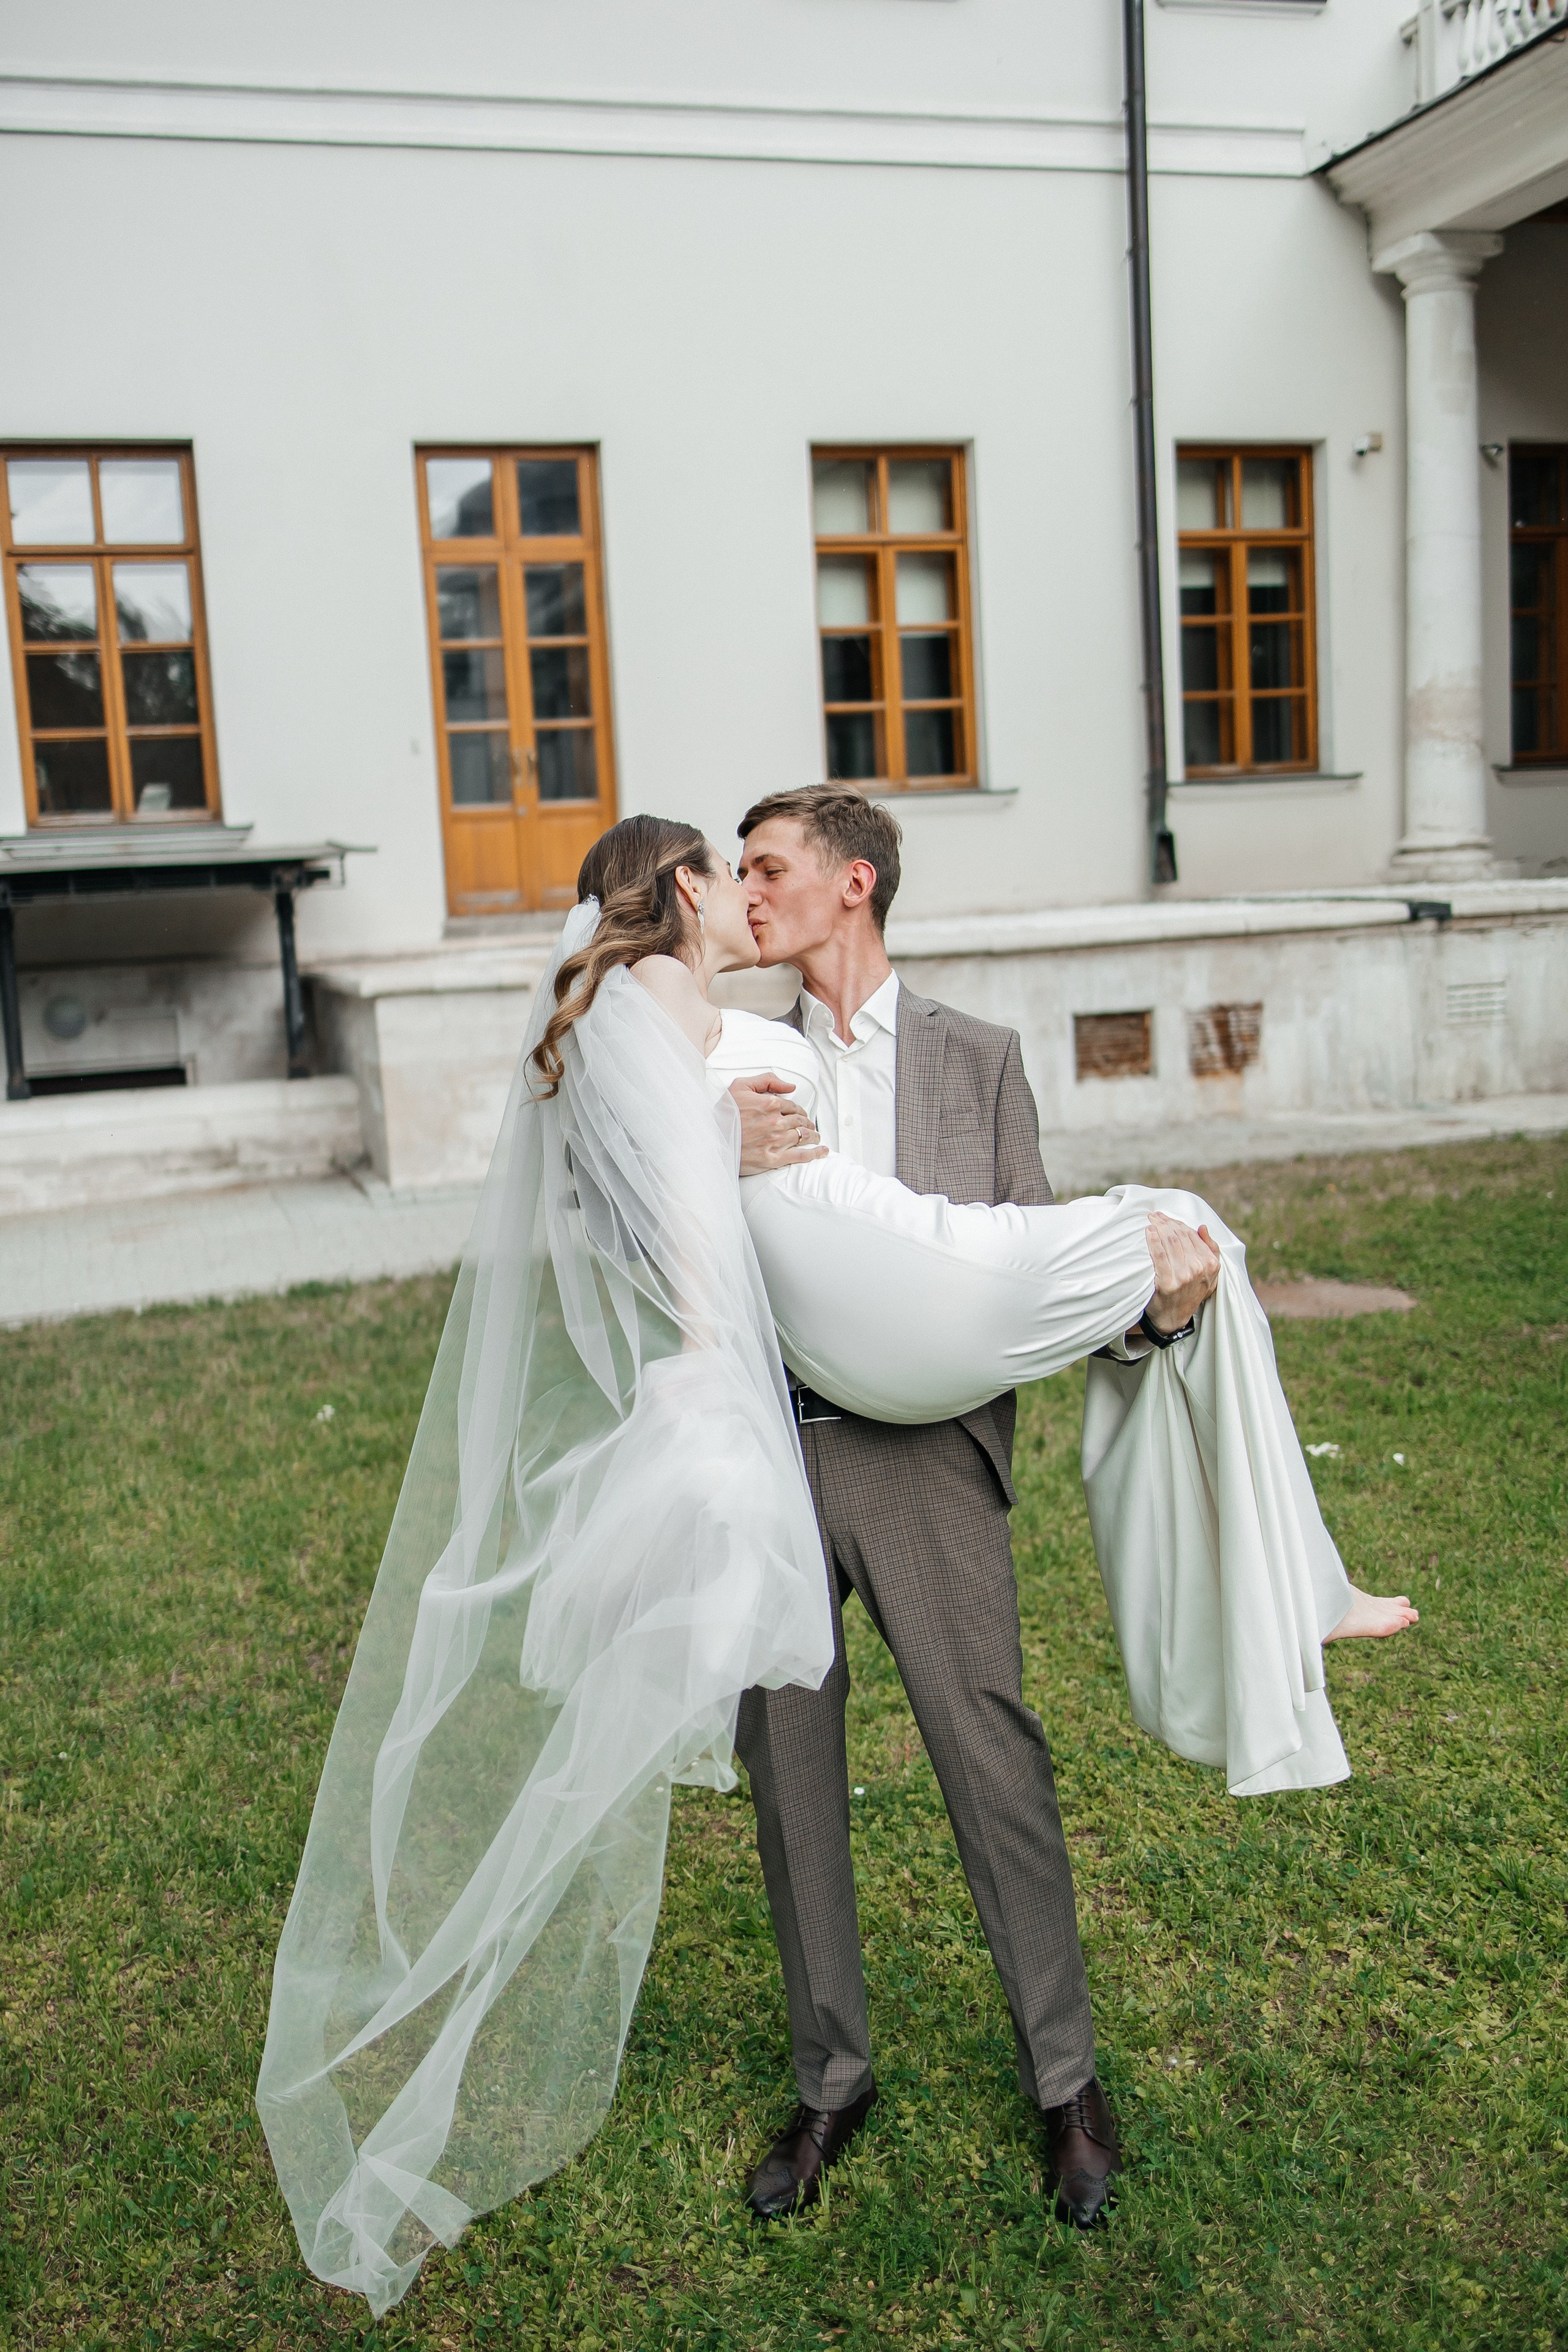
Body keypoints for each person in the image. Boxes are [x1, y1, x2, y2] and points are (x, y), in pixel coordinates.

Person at [258, 810, 1415, 2313]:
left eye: (770, 864)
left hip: (924, 1466)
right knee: (786, 1775)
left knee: (987, 1755)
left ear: (849, 882)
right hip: (769, 1448)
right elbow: (611, 1220)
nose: (747, 889)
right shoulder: (708, 1045)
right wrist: (693, 1145)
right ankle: (829, 2081)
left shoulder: (974, 1056)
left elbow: (1007, 1269)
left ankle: (1064, 2083)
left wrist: (1164, 1309)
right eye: (728, 870)